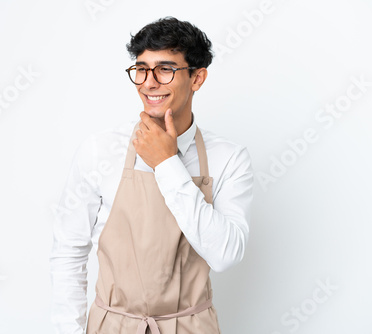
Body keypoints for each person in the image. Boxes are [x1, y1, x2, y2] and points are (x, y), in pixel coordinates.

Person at [49, 16, 254, 334]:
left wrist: (167, 163)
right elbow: (68, 250)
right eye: (142, 69)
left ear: (197, 78)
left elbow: (226, 255)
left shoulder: (229, 157)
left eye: (165, 69)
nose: (149, 82)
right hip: (112, 327)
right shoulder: (99, 150)